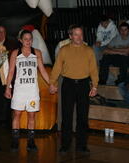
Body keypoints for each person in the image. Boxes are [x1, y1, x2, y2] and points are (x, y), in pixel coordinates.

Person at [49, 24, 98, 154]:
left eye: (81, 34)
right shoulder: (64, 50)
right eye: (76, 34)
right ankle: (65, 145)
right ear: (70, 36)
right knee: (67, 116)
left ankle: (82, 145)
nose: (79, 37)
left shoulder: (89, 51)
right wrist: (52, 83)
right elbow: (57, 68)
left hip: (83, 85)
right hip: (68, 84)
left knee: (82, 116)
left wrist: (95, 85)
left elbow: (93, 70)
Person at [5, 30, 49, 152]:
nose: (28, 41)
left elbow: (43, 71)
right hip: (19, 90)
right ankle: (15, 141)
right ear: (20, 40)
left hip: (32, 91)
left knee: (31, 116)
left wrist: (51, 84)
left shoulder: (37, 52)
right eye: (25, 39)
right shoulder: (15, 53)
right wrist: (7, 87)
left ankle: (31, 142)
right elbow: (11, 72)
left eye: (30, 39)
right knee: (17, 115)